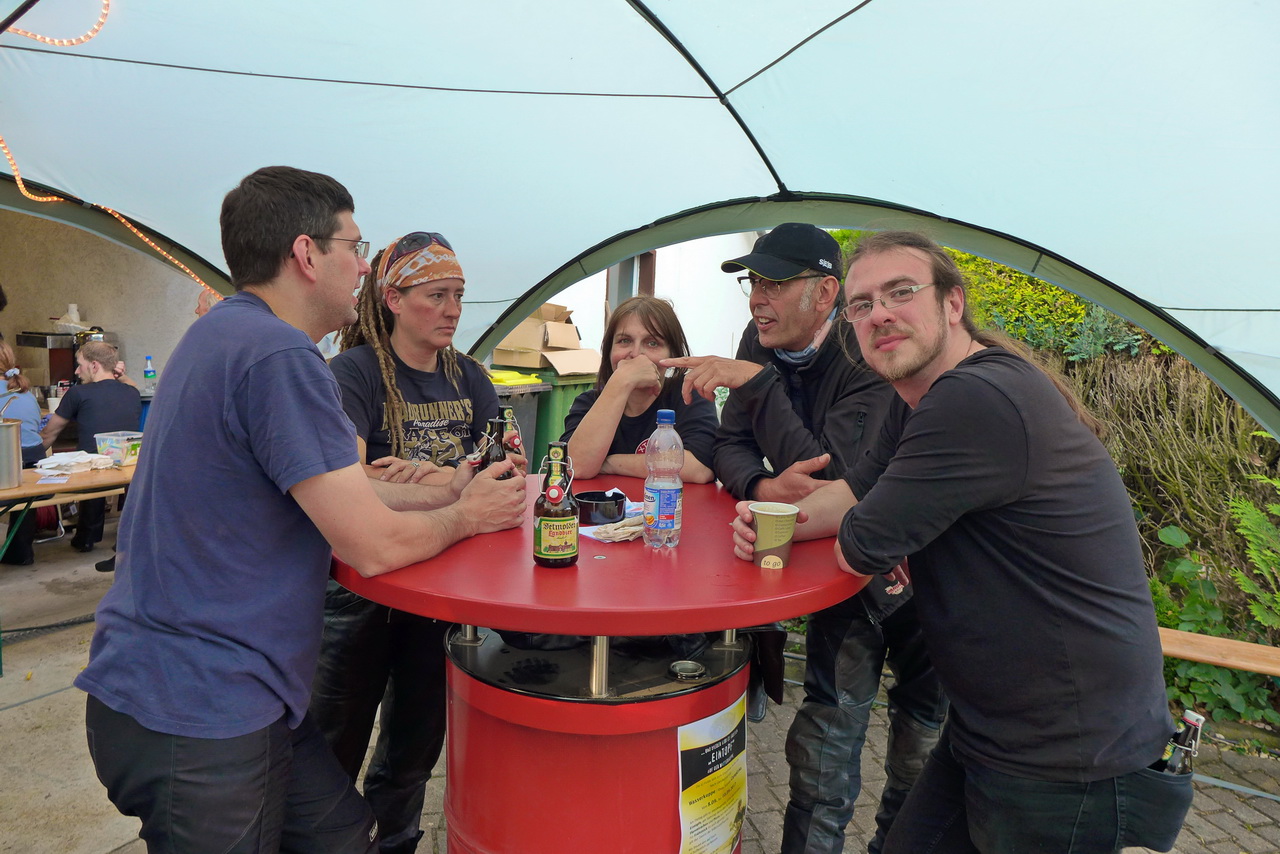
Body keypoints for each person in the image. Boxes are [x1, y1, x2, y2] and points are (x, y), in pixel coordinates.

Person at [74, 166, 526, 854]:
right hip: (200, 708)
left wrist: (452, 489)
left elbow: (341, 489)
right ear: (307, 254)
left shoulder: (224, 333)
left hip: (209, 693)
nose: (363, 266)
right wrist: (468, 518)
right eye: (354, 246)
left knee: (343, 836)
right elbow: (373, 543)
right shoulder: (281, 355)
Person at [732, 230, 1193, 854]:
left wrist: (862, 527)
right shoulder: (917, 397)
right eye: (863, 304)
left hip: (1069, 754)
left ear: (953, 303)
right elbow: (850, 496)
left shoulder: (973, 398)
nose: (879, 314)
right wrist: (774, 520)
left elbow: (859, 545)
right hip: (995, 728)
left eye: (900, 292)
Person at [665, 223, 946, 854]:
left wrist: (758, 387)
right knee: (826, 734)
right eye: (753, 282)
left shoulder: (866, 346)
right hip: (838, 565)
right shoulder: (759, 338)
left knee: (921, 739)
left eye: (774, 282)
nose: (756, 298)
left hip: (921, 572)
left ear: (824, 293)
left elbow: (839, 478)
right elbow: (730, 444)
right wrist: (763, 486)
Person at [309, 231, 500, 854]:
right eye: (436, 295)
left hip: (441, 587)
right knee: (331, 746)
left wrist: (425, 476)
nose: (452, 310)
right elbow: (345, 484)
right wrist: (455, 485)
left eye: (459, 296)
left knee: (412, 751)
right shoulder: (354, 373)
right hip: (359, 589)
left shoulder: (470, 376)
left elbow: (505, 476)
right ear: (392, 298)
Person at [562, 294, 717, 482]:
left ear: (672, 354)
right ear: (609, 351)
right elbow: (575, 466)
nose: (636, 354)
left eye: (652, 343)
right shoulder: (588, 403)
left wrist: (609, 463)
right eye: (624, 341)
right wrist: (621, 382)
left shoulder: (688, 394)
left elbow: (700, 468)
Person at [39, 341, 140, 553]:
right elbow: (132, 385)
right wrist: (120, 375)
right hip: (127, 467)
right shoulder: (132, 392)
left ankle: (86, 537)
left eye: (80, 365)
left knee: (89, 457)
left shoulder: (78, 393)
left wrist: (32, 462)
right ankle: (122, 536)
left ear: (94, 365)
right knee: (101, 459)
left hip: (91, 470)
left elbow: (50, 433)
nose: (77, 371)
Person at [0, 342, 48, 565]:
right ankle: (21, 551)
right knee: (25, 492)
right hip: (37, 474)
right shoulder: (26, 394)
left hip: (8, 475)